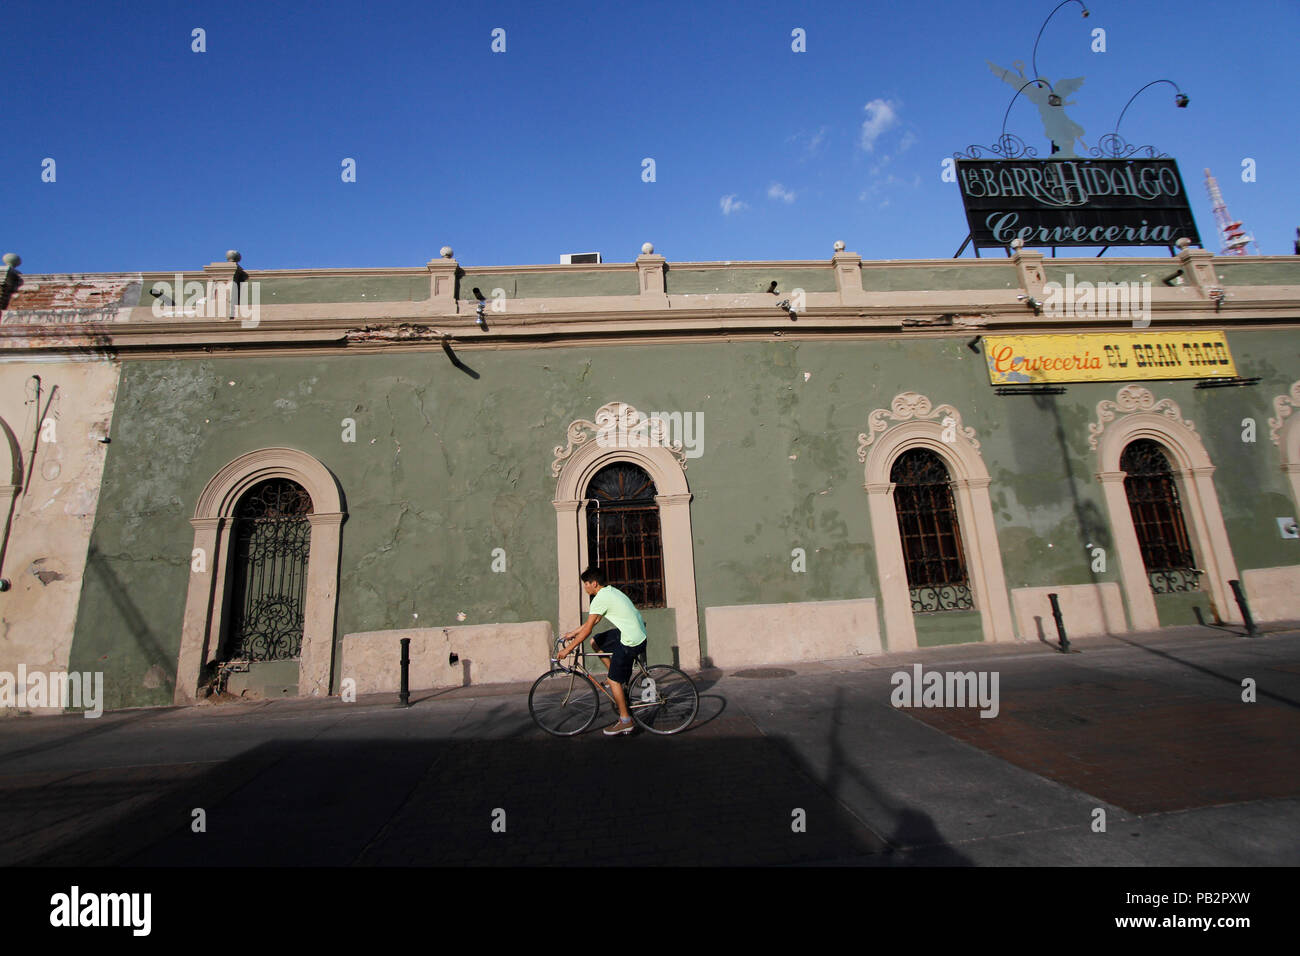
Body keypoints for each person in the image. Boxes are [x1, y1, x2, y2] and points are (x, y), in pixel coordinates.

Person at [556, 567, 647, 736]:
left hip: (632, 640)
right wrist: (573, 633)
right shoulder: (609, 592)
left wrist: (568, 650)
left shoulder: (599, 599)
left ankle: (626, 721)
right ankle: (615, 677)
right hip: (634, 631)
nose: (585, 588)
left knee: (614, 681)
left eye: (586, 584)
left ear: (594, 583)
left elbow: (588, 628)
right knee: (595, 642)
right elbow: (594, 620)